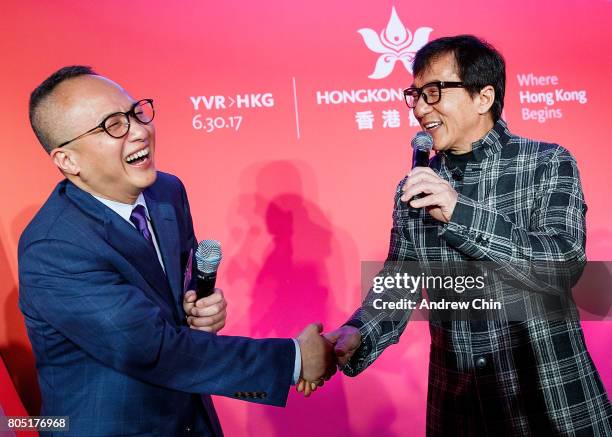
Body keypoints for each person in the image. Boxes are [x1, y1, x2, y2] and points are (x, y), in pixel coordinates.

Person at [300, 35, 612, 435]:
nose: (418, 108)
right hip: (460, 409)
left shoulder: (547, 163)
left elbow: (561, 264)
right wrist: (357, 333)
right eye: (413, 95)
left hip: (548, 402)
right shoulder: (415, 187)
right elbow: (399, 286)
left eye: (433, 93)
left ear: (483, 97)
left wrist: (458, 212)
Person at [19, 66, 336, 436]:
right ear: (67, 161)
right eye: (112, 126)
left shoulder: (166, 192)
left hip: (190, 417)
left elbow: (180, 290)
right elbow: (152, 349)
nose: (139, 131)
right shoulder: (55, 248)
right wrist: (296, 359)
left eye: (136, 113)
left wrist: (199, 309)